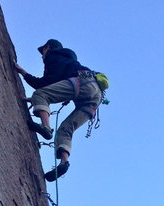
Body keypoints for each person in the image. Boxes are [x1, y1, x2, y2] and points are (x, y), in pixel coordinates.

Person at [14, 39, 103, 182]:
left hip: (82, 83)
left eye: (42, 51)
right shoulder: (69, 62)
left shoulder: (54, 56)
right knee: (66, 129)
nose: (42, 55)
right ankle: (63, 163)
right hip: (95, 97)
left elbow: (43, 85)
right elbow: (53, 87)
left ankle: (46, 128)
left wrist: (23, 73)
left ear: (48, 48)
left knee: (40, 94)